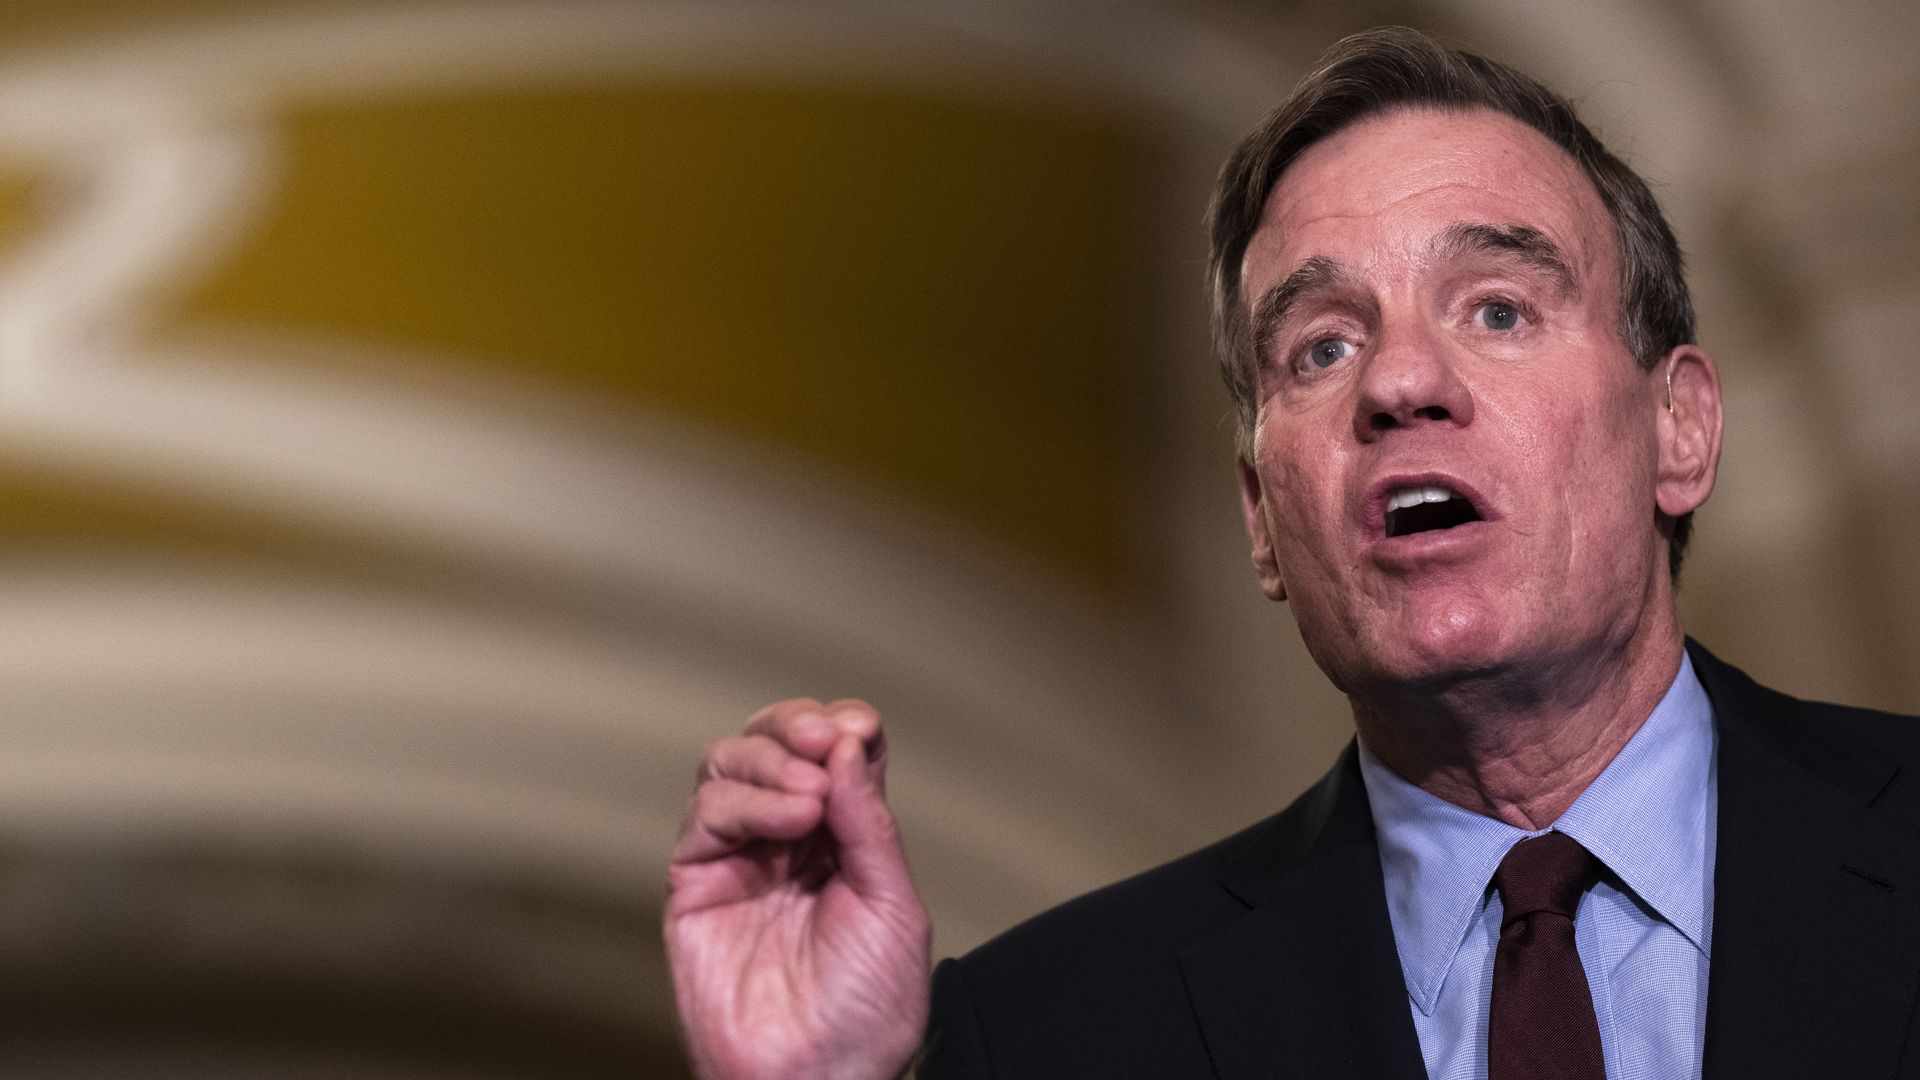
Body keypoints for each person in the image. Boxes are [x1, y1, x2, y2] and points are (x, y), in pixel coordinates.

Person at [664, 27, 1920, 1080]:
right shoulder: (1048, 1032)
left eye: (1498, 308)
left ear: (1679, 427)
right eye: (1321, 346)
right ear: (1264, 517)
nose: (1402, 382)